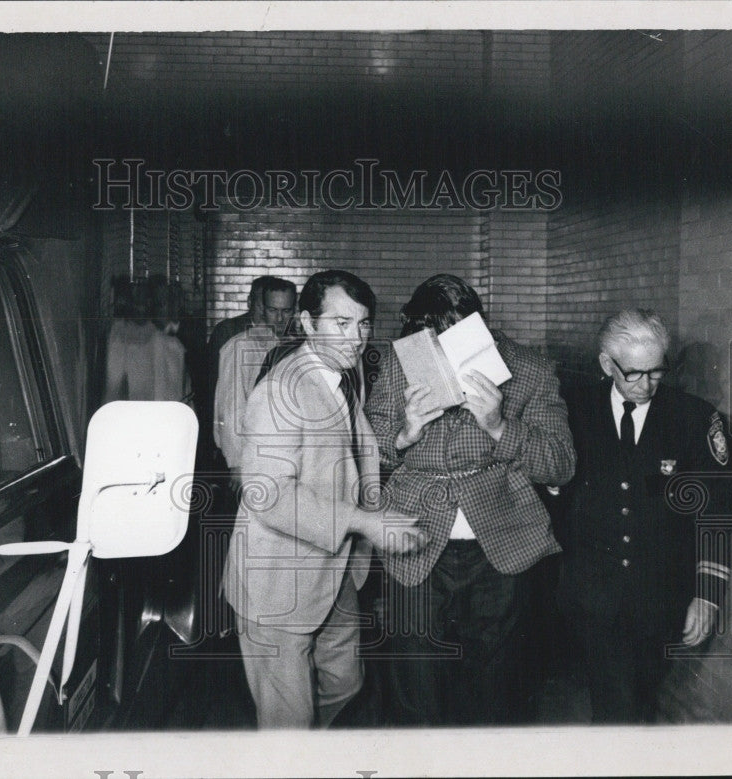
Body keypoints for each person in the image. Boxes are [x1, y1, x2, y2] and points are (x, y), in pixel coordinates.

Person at [365, 273, 575, 726]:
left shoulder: (530, 369)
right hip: (414, 539)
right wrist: (403, 434)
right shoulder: (398, 363)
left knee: (498, 689)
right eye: (429, 343)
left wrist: (500, 425)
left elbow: (560, 464)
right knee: (413, 686)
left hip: (501, 545)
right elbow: (367, 450)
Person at [222, 270, 427, 729]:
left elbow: (354, 456)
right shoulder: (281, 390)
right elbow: (268, 495)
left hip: (332, 573)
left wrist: (406, 434)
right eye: (341, 323)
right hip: (277, 580)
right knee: (286, 721)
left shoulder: (339, 376)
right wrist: (365, 522)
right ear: (308, 324)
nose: (356, 338)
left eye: (363, 324)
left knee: (344, 684)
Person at [558, 309, 732, 723]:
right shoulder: (571, 409)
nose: (647, 384)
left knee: (635, 702)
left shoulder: (695, 419)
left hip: (660, 597)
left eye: (657, 371)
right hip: (589, 595)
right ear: (607, 364)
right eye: (635, 373)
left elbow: (721, 511)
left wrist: (707, 593)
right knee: (616, 704)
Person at [213, 276, 296, 474]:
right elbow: (232, 408)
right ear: (262, 309)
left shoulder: (294, 347)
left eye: (286, 311)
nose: (279, 318)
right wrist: (236, 463)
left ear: (295, 311)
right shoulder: (239, 346)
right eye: (273, 310)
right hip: (251, 457)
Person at [102, 274, 191, 405]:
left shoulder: (174, 346)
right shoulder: (120, 339)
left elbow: (182, 393)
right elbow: (113, 391)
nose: (142, 307)